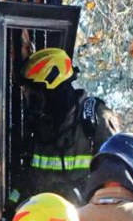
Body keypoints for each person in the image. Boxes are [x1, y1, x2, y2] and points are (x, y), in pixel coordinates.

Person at [7, 47, 120, 209]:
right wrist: (11, 205)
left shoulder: (96, 119)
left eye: (34, 94)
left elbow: (116, 180)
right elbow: (27, 179)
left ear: (52, 88)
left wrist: (80, 194)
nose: (29, 100)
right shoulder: (40, 128)